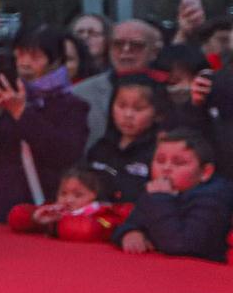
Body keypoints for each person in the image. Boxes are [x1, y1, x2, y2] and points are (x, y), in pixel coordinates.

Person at [0, 24, 89, 223]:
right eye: (20, 55)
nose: (25, 63)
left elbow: (65, 153)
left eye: (35, 57)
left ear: (55, 60)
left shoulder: (72, 106)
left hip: (37, 208)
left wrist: (22, 113)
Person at [113, 128, 233, 262]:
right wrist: (129, 232)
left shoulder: (214, 196)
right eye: (160, 160)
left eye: (179, 163)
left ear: (205, 172)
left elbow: (181, 245)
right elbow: (129, 222)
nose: (166, 168)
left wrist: (161, 199)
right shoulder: (157, 190)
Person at [75, 18, 162, 149]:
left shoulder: (167, 90)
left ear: (154, 52)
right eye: (118, 44)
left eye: (136, 45)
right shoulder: (79, 94)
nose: (126, 50)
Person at [82, 74, 163, 204]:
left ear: (157, 113)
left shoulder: (159, 152)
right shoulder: (100, 148)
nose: (128, 115)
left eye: (138, 108)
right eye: (121, 106)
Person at [7, 165, 130, 242]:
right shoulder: (51, 210)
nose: (68, 200)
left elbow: (87, 229)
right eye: (63, 193)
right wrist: (34, 218)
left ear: (94, 195)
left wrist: (54, 224)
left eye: (78, 195)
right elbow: (16, 215)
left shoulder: (104, 214)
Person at [71, 13, 113, 78]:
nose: (85, 37)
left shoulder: (115, 74)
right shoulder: (65, 75)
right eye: (79, 32)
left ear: (107, 39)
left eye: (92, 33)